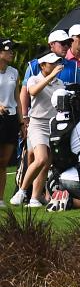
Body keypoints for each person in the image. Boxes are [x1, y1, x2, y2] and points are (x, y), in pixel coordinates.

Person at [11, 52, 65, 207]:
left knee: (46, 164)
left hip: (53, 125)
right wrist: (51, 76)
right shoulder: (34, 79)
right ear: (42, 66)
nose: (56, 66)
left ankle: (35, 198)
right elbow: (33, 91)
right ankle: (21, 191)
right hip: (37, 124)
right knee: (40, 158)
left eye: (57, 63)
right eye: (52, 63)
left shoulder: (60, 83)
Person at [0, 39, 19, 203]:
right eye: (8, 50)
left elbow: (17, 98)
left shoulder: (14, 72)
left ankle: (0, 199)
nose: (12, 53)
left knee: (4, 162)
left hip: (11, 118)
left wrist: (22, 121)